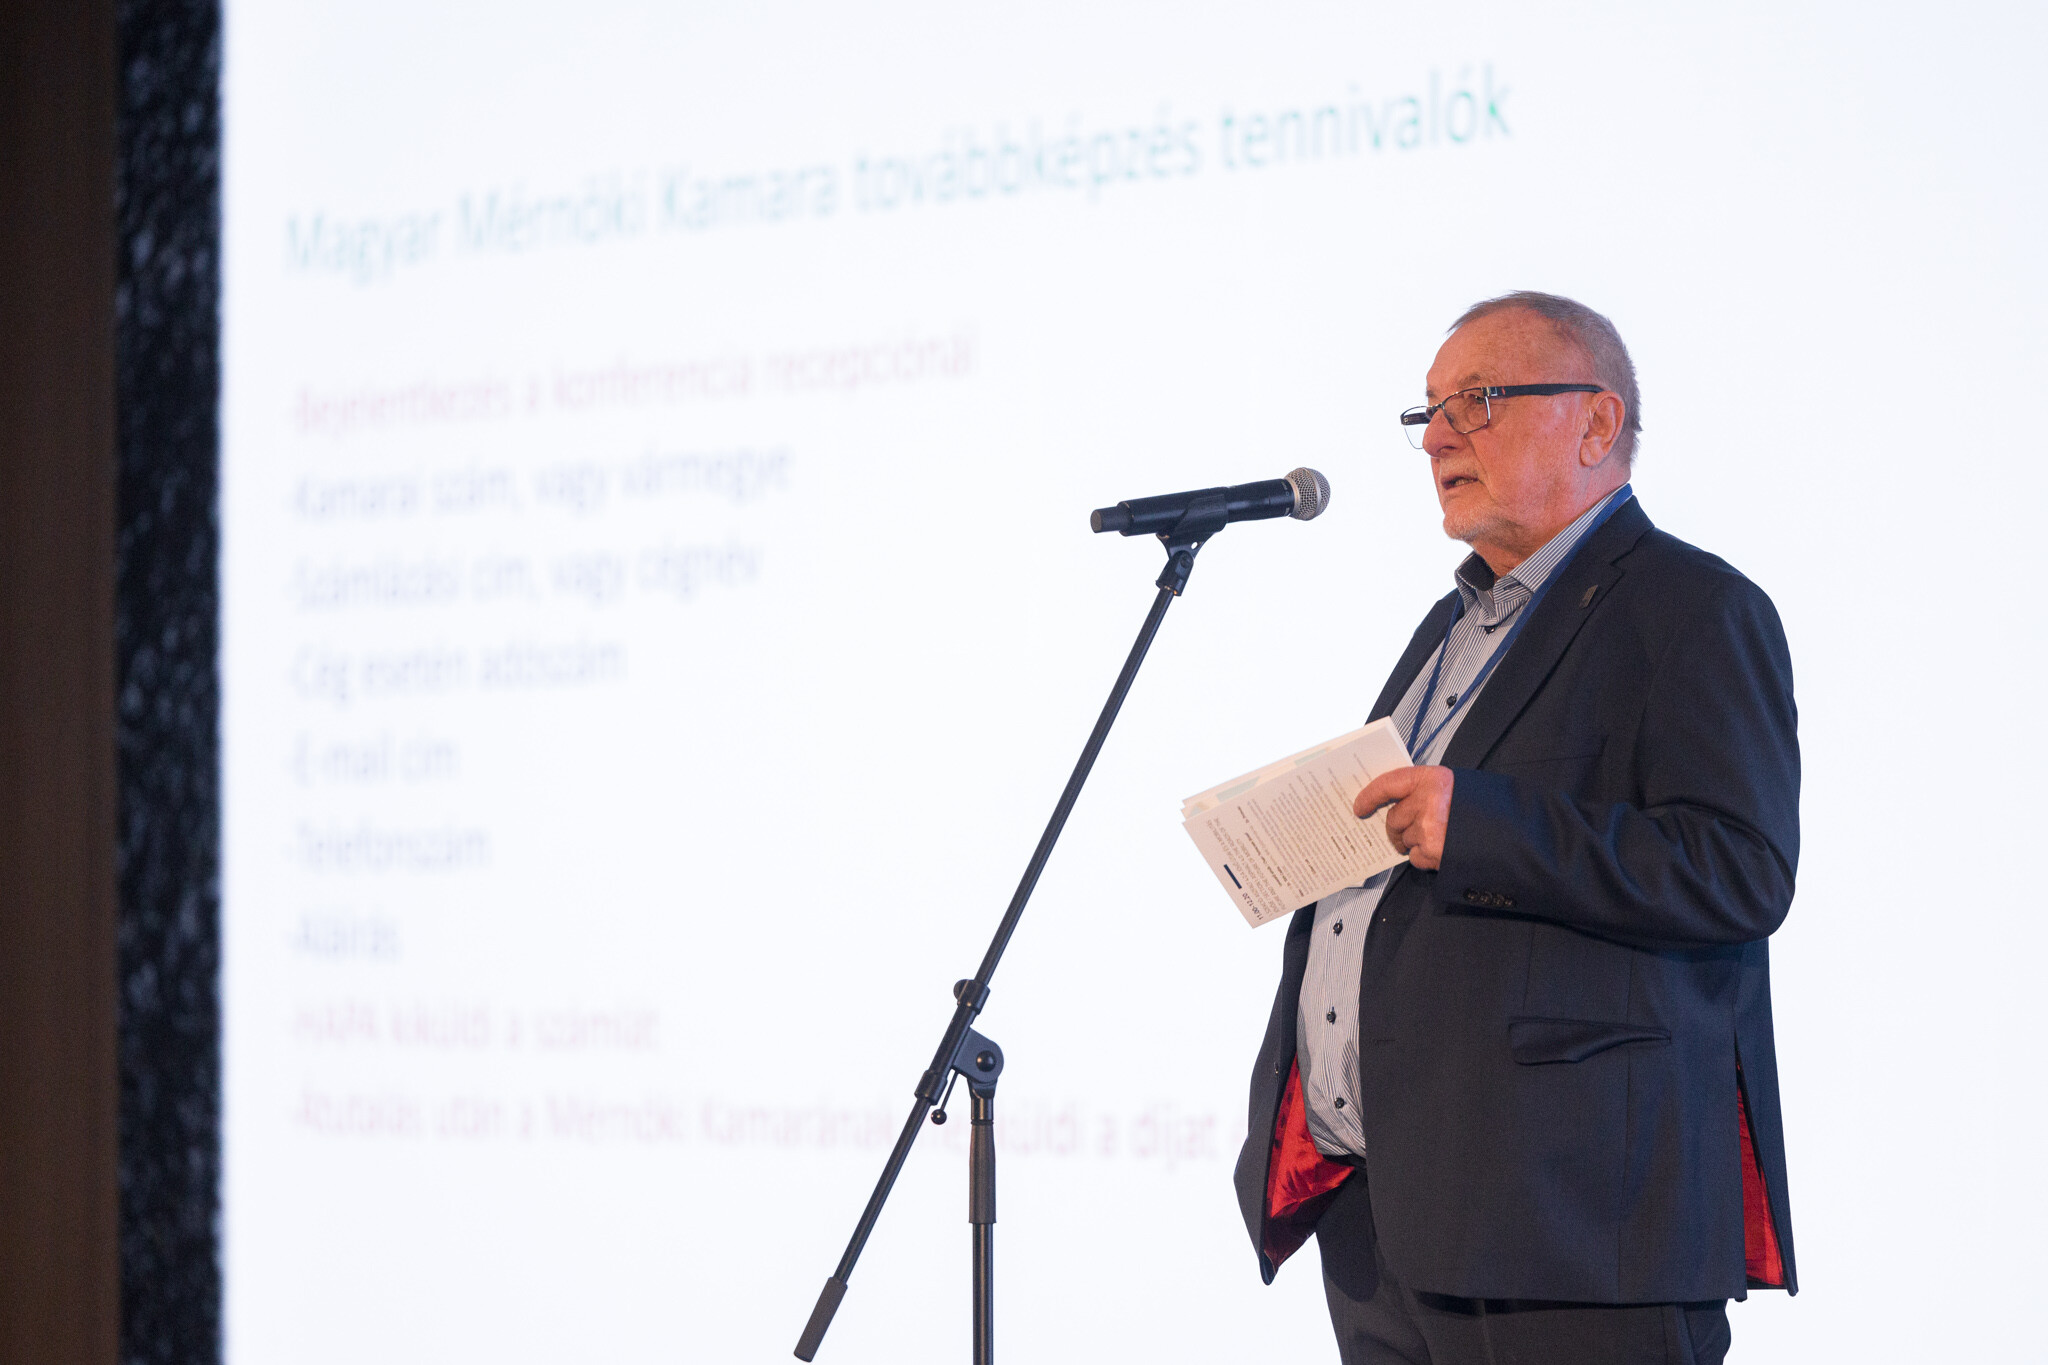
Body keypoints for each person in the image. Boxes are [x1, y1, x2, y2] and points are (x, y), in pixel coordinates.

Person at [1233, 292, 1799, 1365]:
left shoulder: (1692, 609)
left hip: (1566, 1230)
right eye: (1430, 411)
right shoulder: (1446, 629)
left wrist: (1483, 827)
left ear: (1595, 422)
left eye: (1478, 401)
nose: (1438, 437)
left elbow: (1739, 870)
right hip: (1387, 1222)